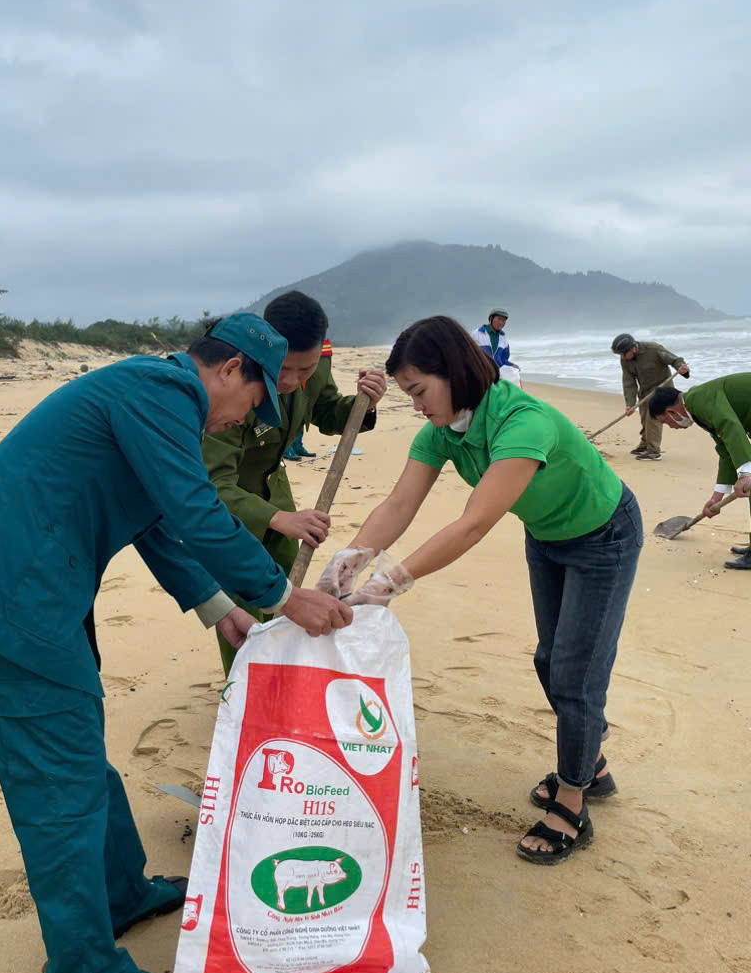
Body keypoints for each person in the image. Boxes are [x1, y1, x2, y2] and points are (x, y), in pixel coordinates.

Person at [0, 313, 353, 973]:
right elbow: (195, 507)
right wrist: (279, 597)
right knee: (58, 785)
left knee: (79, 751)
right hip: (11, 598)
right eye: (255, 403)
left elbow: (157, 522)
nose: (246, 422)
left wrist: (220, 609)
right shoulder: (161, 393)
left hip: (39, 586)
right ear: (231, 369)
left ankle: (119, 892)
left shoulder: (153, 396)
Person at [317, 316, 643, 866]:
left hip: (604, 536)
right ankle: (593, 765)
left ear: (454, 371)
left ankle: (573, 801)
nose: (417, 407)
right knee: (551, 660)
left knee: (575, 670)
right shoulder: (442, 432)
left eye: (420, 391)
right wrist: (347, 564)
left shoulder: (522, 421)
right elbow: (399, 505)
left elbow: (472, 523)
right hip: (547, 537)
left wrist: (389, 583)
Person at [203, 294, 386, 672]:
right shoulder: (233, 383)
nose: (291, 381)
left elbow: (326, 410)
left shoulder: (314, 365)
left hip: (277, 493)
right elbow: (211, 483)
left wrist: (362, 404)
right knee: (241, 600)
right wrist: (275, 518)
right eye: (283, 369)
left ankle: (283, 672)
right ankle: (245, 684)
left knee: (288, 588)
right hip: (229, 509)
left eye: (304, 371)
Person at [649, 376, 751, 569]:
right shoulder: (698, 409)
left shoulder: (698, 399)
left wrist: (746, 474)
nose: (671, 427)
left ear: (671, 411)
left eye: (665, 422)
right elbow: (726, 449)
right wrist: (716, 497)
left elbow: (730, 425)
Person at [610, 333, 689, 461]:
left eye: (624, 354)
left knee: (653, 417)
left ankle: (654, 452)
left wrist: (682, 367)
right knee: (644, 417)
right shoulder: (625, 360)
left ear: (633, 348)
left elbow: (674, 359)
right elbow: (628, 382)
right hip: (645, 391)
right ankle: (645, 444)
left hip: (662, 389)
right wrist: (629, 404)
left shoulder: (653, 349)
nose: (623, 357)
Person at [283, 339, 333, 460]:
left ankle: (297, 444)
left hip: (317, 352)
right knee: (290, 408)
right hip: (298, 353)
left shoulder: (322, 340)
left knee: (305, 407)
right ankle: (286, 447)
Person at [472, 307, 521, 387]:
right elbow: (470, 356)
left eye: (503, 320)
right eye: (499, 319)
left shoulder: (503, 338)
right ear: (491, 319)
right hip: (481, 374)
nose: (501, 322)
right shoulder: (477, 334)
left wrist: (511, 365)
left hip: (497, 375)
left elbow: (503, 359)